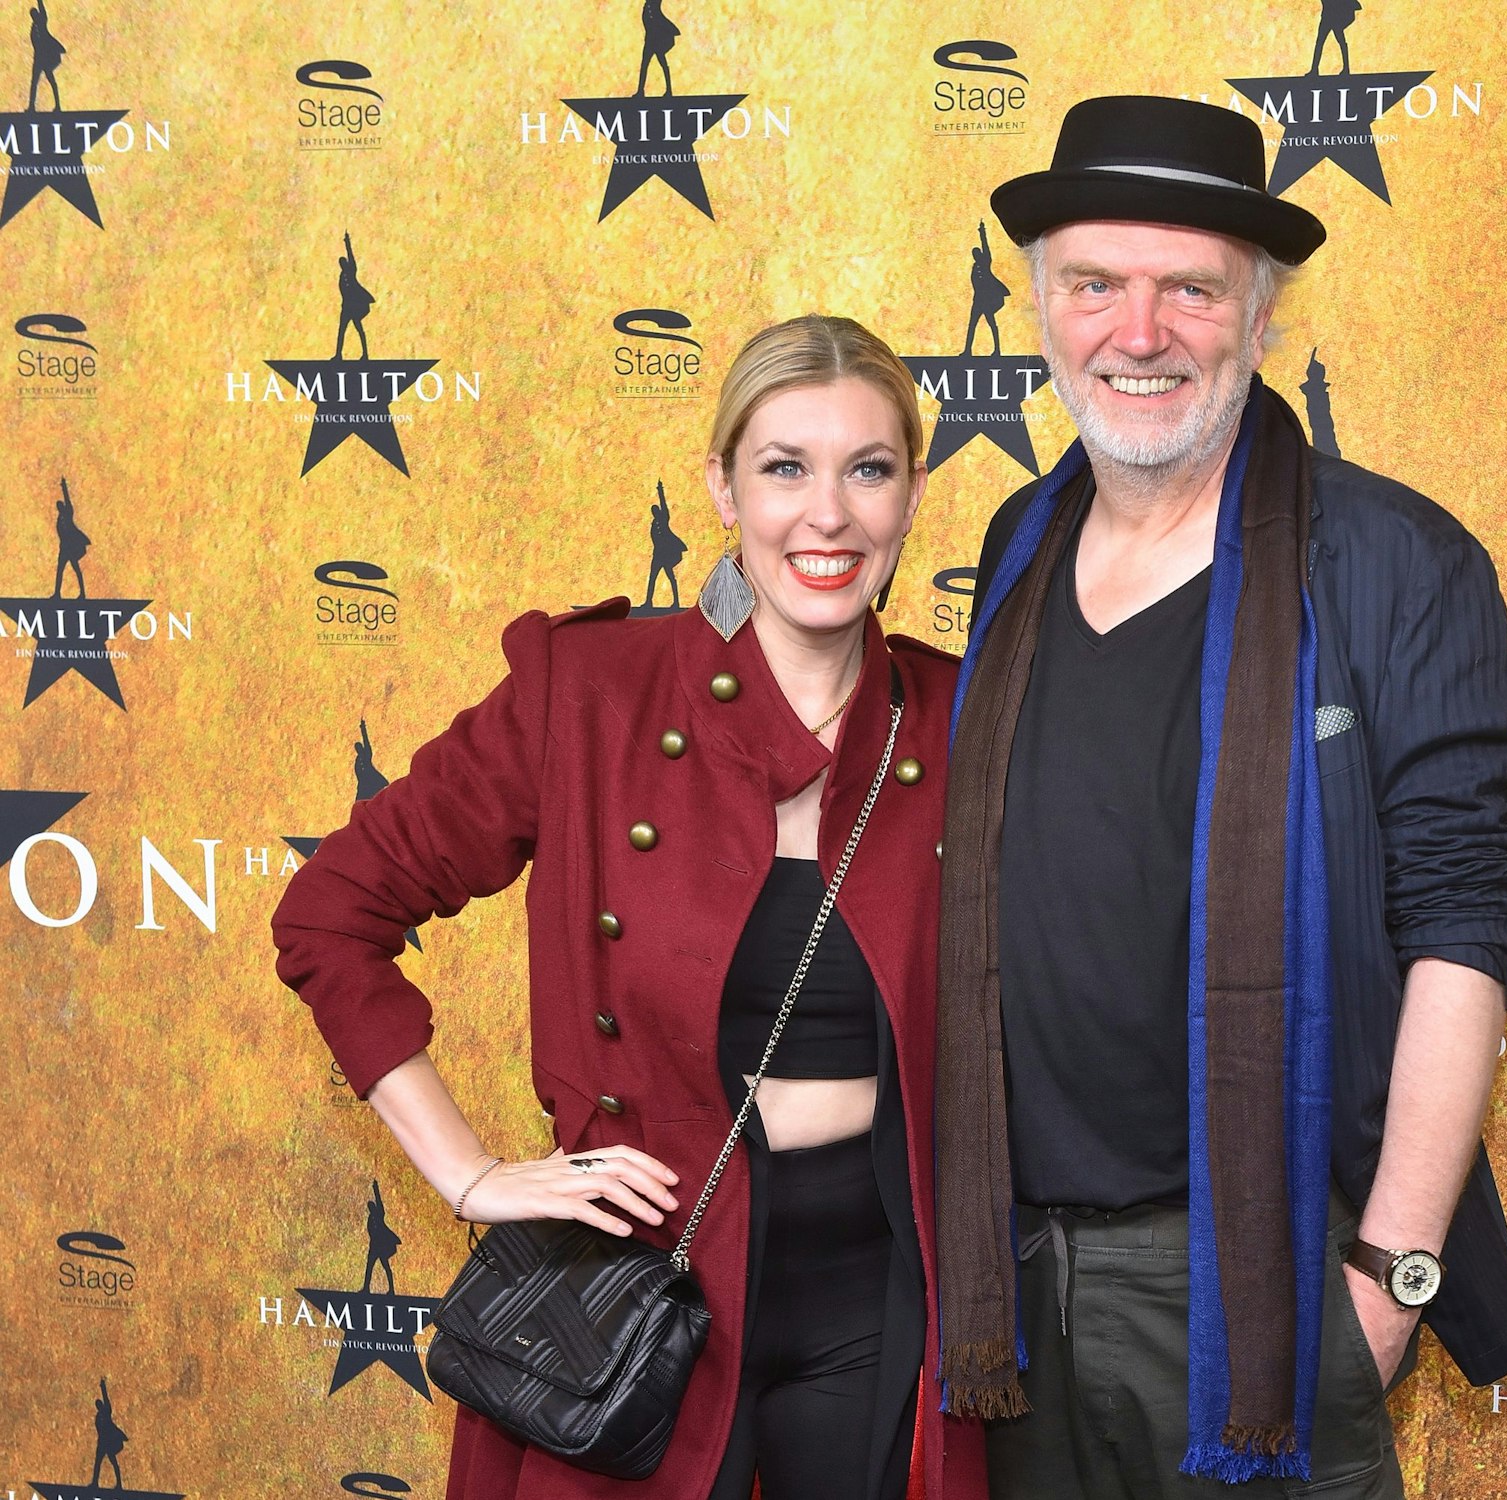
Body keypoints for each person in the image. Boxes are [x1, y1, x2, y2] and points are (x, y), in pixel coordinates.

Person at [274, 315, 985, 1500]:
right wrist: (466, 1175)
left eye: (867, 469)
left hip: (880, 1290)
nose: (828, 513)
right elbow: (329, 912)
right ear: (718, 487)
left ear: (912, 493)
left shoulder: (967, 716)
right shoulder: (589, 694)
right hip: (639, 1287)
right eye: (782, 468)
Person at [935, 96, 1507, 1497]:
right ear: (1041, 309)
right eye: (1095, 285)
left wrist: (1387, 1279)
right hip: (1012, 1289)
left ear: (1261, 319)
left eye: (1189, 289)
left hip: (1258, 1287)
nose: (1137, 334)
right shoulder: (1018, 540)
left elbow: (1462, 931)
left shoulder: (1397, 562)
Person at [961, 221, 1010, 357]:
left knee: (992, 324)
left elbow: (985, 245)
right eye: (974, 254)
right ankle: (967, 351)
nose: (976, 255)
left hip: (987, 300)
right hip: (978, 300)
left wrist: (982, 231)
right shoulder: (975, 267)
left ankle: (997, 350)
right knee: (972, 326)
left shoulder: (985, 261)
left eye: (977, 253)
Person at [647, 480, 690, 609]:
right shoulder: (654, 524)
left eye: (656, 510)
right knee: (652, 577)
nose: (655, 512)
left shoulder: (664, 518)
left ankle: (676, 601)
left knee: (671, 577)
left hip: (665, 554)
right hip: (658, 554)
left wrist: (660, 490)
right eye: (653, 511)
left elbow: (663, 503)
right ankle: (648, 602)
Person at [336, 232, 373, 361]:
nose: (343, 264)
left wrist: (347, 243)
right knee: (341, 331)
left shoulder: (351, 270)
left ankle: (365, 354)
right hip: (346, 307)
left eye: (344, 262)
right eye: (341, 263)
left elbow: (351, 255)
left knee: (359, 329)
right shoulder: (341, 277)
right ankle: (338, 355)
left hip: (355, 306)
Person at [361, 1177, 400, 1294]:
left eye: (372, 1206)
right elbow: (371, 1232)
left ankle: (392, 1289)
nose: (371, 1207)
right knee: (369, 1267)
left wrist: (375, 1188)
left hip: (382, 1245)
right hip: (375, 1246)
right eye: (370, 1207)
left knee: (386, 1267)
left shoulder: (379, 1213)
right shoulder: (370, 1219)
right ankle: (366, 1288)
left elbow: (379, 1200)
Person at [53, 476, 88, 599]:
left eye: (61, 505)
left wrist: (64, 487)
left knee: (76, 570)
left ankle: (83, 593)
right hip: (64, 548)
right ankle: (57, 593)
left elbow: (67, 499)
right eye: (58, 506)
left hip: (71, 547)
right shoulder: (59, 520)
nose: (60, 507)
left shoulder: (68, 513)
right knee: (60, 570)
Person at [27, 0, 62, 112]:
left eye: (36, 14)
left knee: (51, 80)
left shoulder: (42, 22)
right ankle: (32, 106)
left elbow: (42, 9)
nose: (35, 16)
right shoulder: (33, 29)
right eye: (33, 15)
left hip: (46, 57)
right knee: (34, 83)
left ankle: (58, 105)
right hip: (38, 59)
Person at [638, 0, 678, 97]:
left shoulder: (654, 5)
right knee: (645, 65)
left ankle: (669, 90)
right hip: (650, 39)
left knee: (662, 63)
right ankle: (640, 91)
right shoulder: (647, 6)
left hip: (657, 39)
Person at [91, 1377, 125, 1489]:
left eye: (100, 1403)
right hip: (102, 1442)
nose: (99, 1405)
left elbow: (106, 1398)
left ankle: (119, 1483)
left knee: (113, 1462)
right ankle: (95, 1483)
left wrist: (103, 1386)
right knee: (98, 1463)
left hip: (109, 1441)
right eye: (98, 1405)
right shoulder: (98, 1417)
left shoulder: (106, 1411)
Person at [1311, 0, 1361, 75]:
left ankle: (1346, 68)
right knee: (1320, 43)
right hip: (1328, 17)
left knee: (1324, 43)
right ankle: (1314, 69)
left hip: (1334, 18)